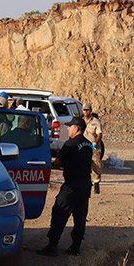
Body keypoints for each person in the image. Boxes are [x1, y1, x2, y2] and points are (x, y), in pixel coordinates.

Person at [40, 116, 93, 256]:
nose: (68, 129)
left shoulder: (70, 144)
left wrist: (47, 164)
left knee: (59, 212)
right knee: (80, 217)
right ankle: (76, 246)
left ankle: (52, 246)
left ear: (77, 128)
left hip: (72, 186)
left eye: (70, 126)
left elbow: (58, 162)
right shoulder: (88, 145)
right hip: (85, 185)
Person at [82, 101, 104, 193]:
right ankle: (84, 183)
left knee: (96, 165)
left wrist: (95, 143)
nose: (86, 112)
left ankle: (96, 183)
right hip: (83, 146)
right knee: (83, 165)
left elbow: (99, 134)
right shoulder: (80, 121)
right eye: (84, 110)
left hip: (94, 147)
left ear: (91, 111)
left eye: (88, 110)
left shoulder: (96, 122)